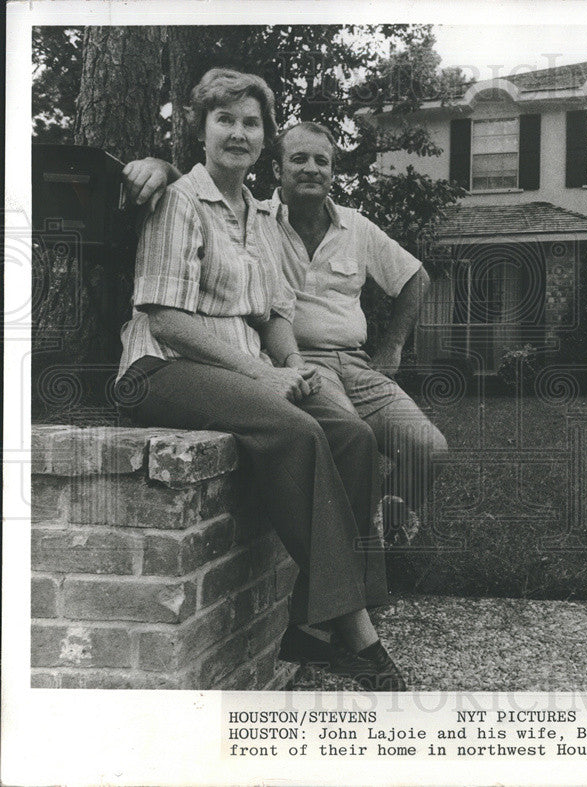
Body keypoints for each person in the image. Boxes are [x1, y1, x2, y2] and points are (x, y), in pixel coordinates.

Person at [115, 68, 405, 691]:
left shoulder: (258, 215)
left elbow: (274, 312)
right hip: (161, 368)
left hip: (241, 370)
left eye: (251, 122)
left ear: (264, 139)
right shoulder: (180, 200)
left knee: (353, 435)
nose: (239, 132)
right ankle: (356, 634)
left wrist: (294, 368)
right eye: (225, 119)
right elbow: (164, 318)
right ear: (200, 129)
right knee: (295, 432)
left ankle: (307, 624)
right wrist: (263, 377)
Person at [124, 124, 448, 548]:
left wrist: (393, 346)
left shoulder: (357, 227)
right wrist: (162, 168)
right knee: (349, 441)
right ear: (277, 168)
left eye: (322, 161)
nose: (311, 169)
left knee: (429, 449)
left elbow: (416, 277)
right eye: (299, 159)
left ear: (333, 172)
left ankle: (384, 523)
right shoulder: (254, 218)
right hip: (296, 361)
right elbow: (202, 194)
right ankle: (357, 559)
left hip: (356, 362)